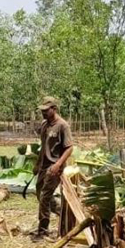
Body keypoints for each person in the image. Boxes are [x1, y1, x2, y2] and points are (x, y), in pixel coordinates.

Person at [34, 96, 74, 239]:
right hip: (44, 166)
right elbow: (43, 146)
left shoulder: (63, 125)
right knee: (40, 193)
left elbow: (69, 148)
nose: (43, 113)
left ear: (54, 109)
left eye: (46, 110)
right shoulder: (45, 125)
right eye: (42, 110)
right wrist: (37, 164)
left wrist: (58, 165)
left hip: (54, 166)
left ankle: (43, 229)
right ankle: (62, 212)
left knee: (45, 195)